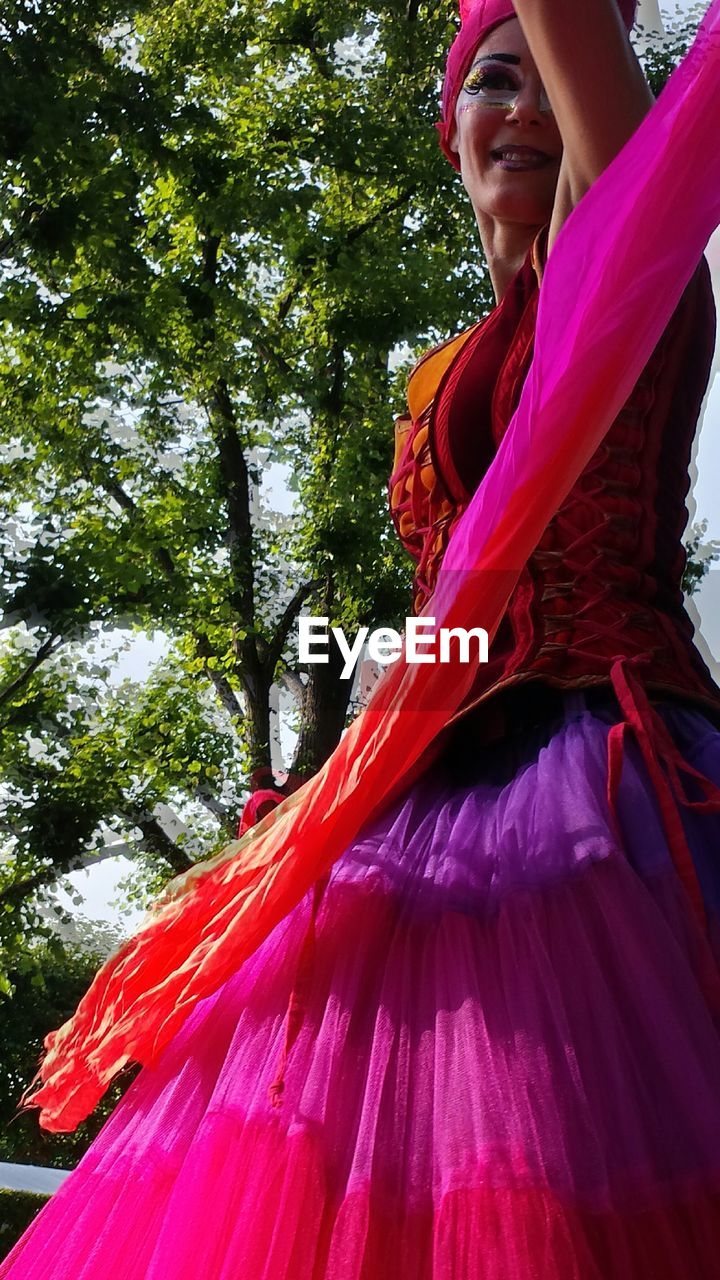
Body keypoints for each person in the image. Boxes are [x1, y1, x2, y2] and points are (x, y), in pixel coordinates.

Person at [4, 1, 720, 1275]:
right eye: (494, 84)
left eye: (550, 82)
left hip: (608, 797)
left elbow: (605, 112)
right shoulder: (425, 375)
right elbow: (450, 631)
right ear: (447, 130)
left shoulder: (631, 278)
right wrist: (336, 730)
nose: (529, 111)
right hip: (426, 804)